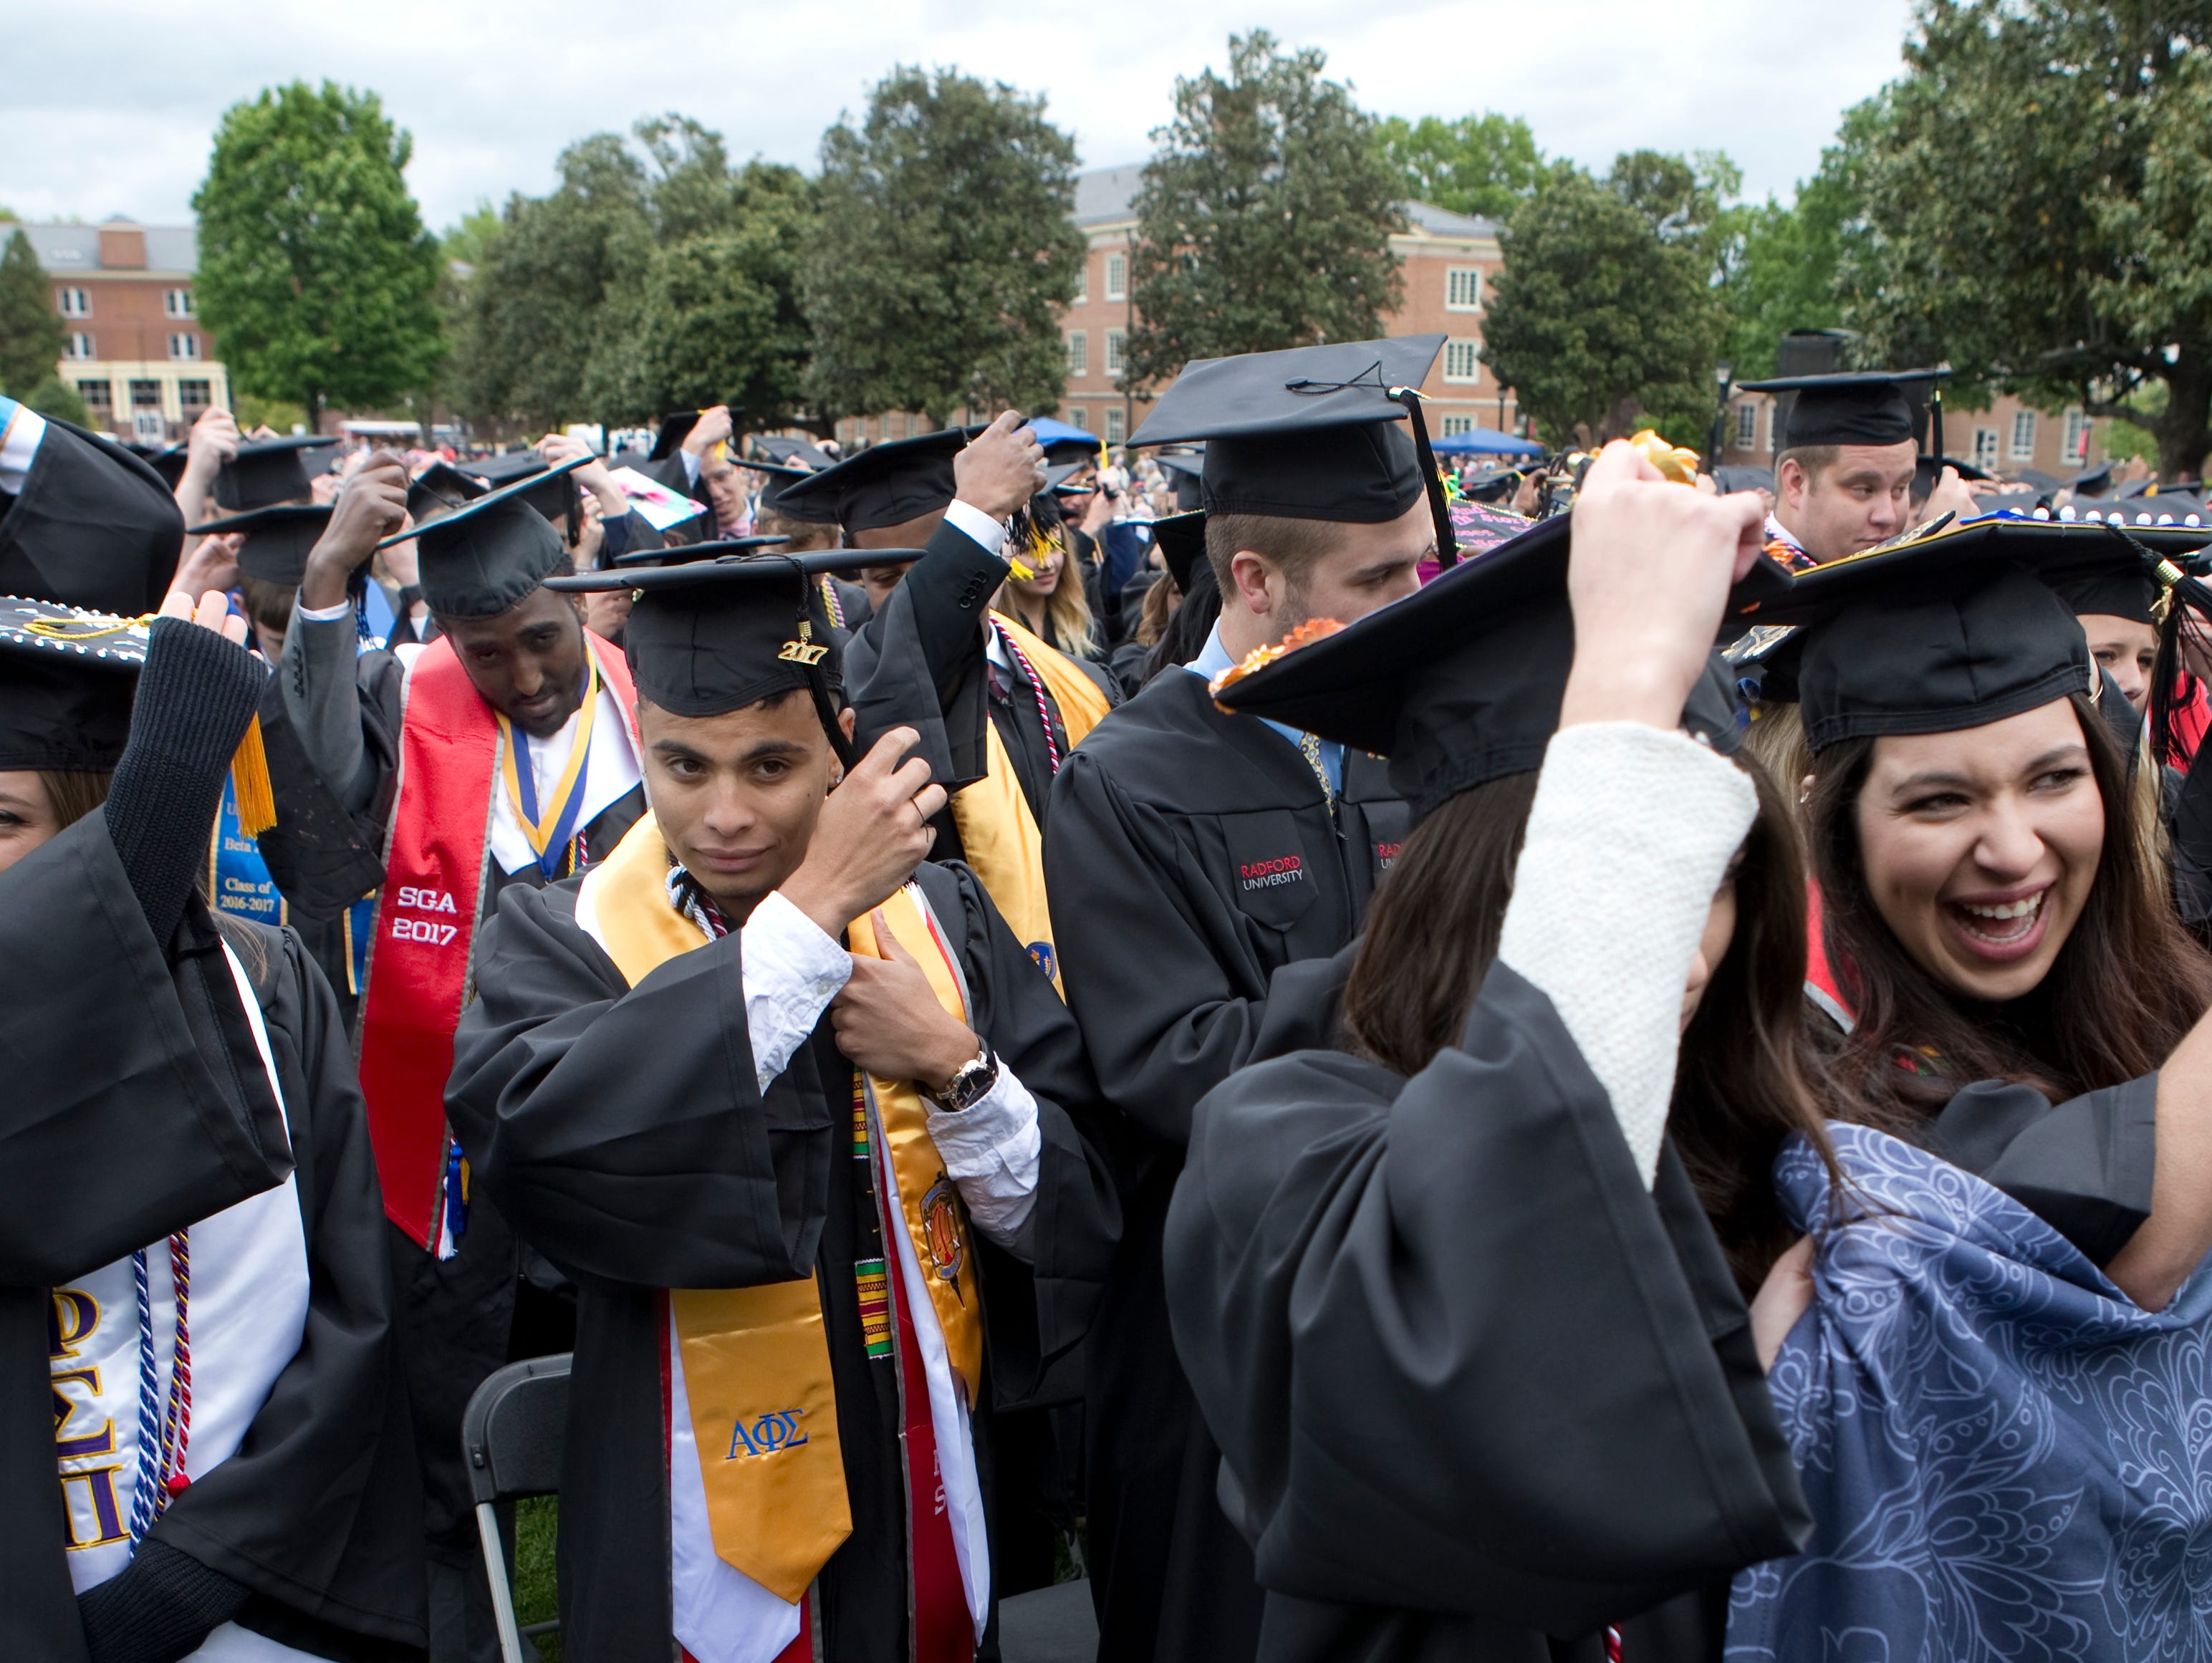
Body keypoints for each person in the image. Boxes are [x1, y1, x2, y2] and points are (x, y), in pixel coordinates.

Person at [1175, 445, 1819, 1660]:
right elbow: (1478, 1340)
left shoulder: (1797, 1130)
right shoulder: (1277, 1148)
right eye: (1623, 873)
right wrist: (1623, 685)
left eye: (1712, 878)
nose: (1671, 948)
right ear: (1474, 885)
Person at [444, 553, 1120, 1663]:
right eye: (681, 764)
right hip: (689, 1518)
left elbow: (1077, 1210)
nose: (724, 816)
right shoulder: (564, 938)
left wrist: (956, 1065)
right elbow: (540, 1159)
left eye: (770, 764)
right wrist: (804, 922)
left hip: (932, 1468)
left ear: (842, 744)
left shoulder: (941, 916)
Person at [1730, 521, 2212, 1655]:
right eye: (1939, 801)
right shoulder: (1783, 1074)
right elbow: (2062, 1248)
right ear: (1832, 818)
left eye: (2054, 778)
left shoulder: (2168, 999)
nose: (2013, 847)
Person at [1040, 336, 1443, 1663]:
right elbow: (1177, 1062)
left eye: (1421, 570)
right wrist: (1438, 978)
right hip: (1220, 1332)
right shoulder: (1127, 778)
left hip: (1424, 1284)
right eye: (1379, 579)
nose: (1414, 603)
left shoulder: (1426, 736)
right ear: (1255, 580)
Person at [269, 450, 649, 1660]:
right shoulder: (410, 699)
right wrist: (329, 575)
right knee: (454, 1434)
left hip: (625, 1120)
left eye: (541, 638)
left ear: (580, 589)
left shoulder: (661, 709)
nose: (525, 677)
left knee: (629, 1421)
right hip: (455, 1148)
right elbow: (316, 774)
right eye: (489, 652)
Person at [792, 418, 1117, 982]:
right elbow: (913, 639)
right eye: (885, 577)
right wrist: (972, 514)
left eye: (936, 562)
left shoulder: (1076, 681)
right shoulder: (850, 687)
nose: (915, 589)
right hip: (954, 985)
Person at [1737, 370, 1976, 568]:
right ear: (1796, 483)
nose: (1887, 516)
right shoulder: (1746, 583)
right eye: (1864, 490)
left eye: (1900, 489)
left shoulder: (1870, 570)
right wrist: (1938, 558)